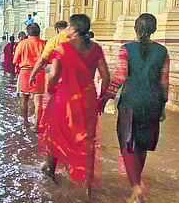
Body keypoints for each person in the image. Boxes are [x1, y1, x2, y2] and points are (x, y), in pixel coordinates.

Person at [101, 13, 169, 203]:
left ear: (135, 29)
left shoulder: (126, 49)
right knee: (142, 144)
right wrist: (162, 106)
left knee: (127, 143)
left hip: (130, 102)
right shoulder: (163, 51)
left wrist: (105, 98)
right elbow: (164, 82)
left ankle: (136, 187)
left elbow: (120, 77)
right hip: (153, 102)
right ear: (154, 30)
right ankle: (136, 183)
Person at [41, 14, 110, 198]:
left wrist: (50, 88)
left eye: (68, 27)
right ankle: (86, 185)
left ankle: (50, 170)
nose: (66, 30)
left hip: (65, 99)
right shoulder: (96, 49)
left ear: (74, 29)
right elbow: (106, 77)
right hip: (88, 100)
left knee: (55, 134)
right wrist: (100, 98)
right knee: (86, 141)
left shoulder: (62, 48)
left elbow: (54, 75)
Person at [13, 23, 47, 128]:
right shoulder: (44, 44)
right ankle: (37, 125)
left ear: (28, 33)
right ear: (39, 32)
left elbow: (15, 60)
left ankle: (25, 121)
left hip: (25, 72)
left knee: (24, 98)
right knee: (38, 100)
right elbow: (48, 60)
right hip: (39, 73)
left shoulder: (22, 44)